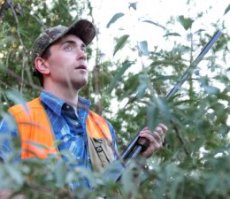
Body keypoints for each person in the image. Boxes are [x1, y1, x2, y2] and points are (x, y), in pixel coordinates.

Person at [0, 19, 168, 188]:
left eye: (83, 48)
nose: (82, 54)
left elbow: (118, 190)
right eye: (68, 47)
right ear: (43, 64)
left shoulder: (103, 127)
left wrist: (138, 159)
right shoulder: (19, 119)